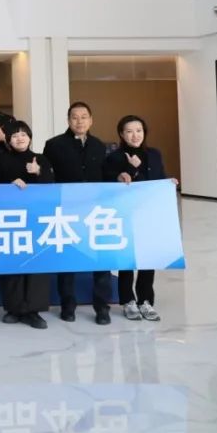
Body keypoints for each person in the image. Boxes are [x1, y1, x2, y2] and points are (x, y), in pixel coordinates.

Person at [43, 101, 113, 325]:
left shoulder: (99, 146)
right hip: (67, 210)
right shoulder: (53, 145)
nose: (79, 121)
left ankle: (102, 307)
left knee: (100, 259)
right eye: (75, 117)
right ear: (68, 120)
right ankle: (68, 305)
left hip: (95, 211)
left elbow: (106, 176)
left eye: (84, 117)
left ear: (91, 120)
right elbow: (47, 178)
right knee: (68, 259)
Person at [103, 115, 175, 322]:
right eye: (129, 131)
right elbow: (110, 183)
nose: (135, 135)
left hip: (150, 213)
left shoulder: (154, 154)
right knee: (127, 259)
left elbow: (158, 178)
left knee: (147, 257)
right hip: (126, 214)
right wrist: (130, 169)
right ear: (121, 134)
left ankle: (146, 300)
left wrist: (168, 182)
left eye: (139, 131)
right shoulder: (114, 157)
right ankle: (128, 300)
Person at [0, 121, 54, 329]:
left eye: (23, 134)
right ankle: (13, 309)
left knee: (36, 263)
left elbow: (51, 186)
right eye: (14, 135)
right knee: (13, 263)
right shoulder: (2, 160)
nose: (19, 138)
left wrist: (38, 172)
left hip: (36, 219)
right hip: (10, 220)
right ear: (8, 140)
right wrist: (9, 186)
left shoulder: (41, 159)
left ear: (29, 137)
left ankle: (33, 311)